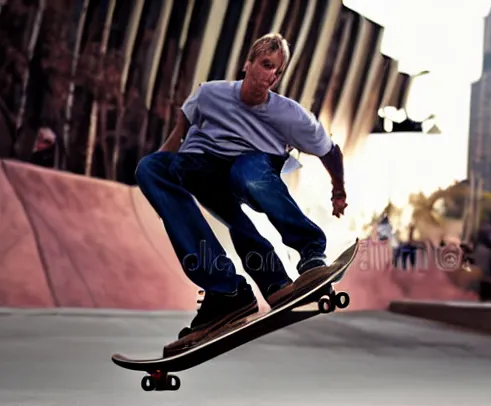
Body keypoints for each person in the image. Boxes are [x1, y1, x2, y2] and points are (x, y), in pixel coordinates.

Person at [134, 33, 348, 356]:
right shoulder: (210, 94)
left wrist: (339, 190)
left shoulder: (289, 114)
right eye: (265, 65)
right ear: (247, 63)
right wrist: (162, 174)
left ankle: (310, 251)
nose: (270, 76)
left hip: (254, 169)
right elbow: (183, 124)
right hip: (204, 168)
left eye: (277, 71)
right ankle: (231, 290)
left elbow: (330, 151)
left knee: (245, 173)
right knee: (149, 168)